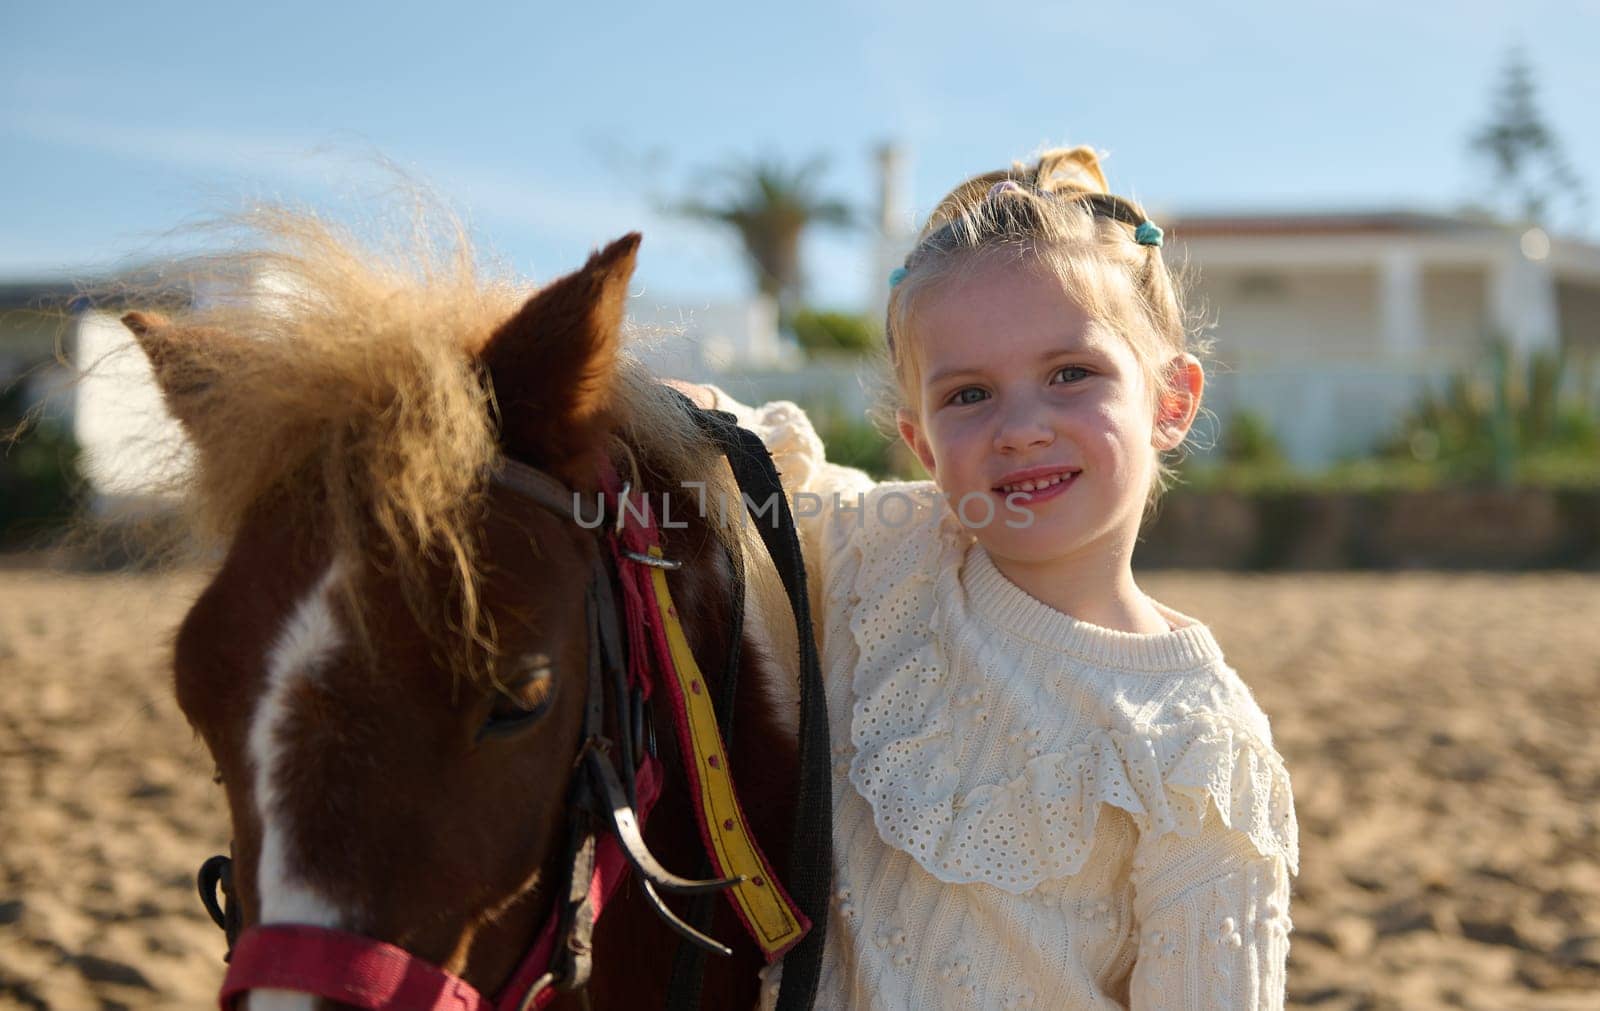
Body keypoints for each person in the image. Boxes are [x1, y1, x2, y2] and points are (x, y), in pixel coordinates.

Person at [672, 146, 1297, 1009]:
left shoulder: (1202, 746)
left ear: (1170, 401)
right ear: (923, 445)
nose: (1022, 427)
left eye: (1070, 374)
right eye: (969, 394)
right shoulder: (883, 551)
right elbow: (748, 456)